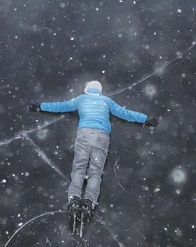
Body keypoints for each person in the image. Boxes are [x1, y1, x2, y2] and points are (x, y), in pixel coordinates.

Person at [29, 80, 158, 229]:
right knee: (95, 171)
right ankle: (89, 201)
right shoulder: (106, 101)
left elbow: (60, 106)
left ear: (87, 89)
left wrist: (40, 106)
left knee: (79, 167)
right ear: (100, 91)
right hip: (101, 137)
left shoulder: (80, 99)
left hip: (84, 134)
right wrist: (145, 119)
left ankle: (74, 198)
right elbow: (125, 113)